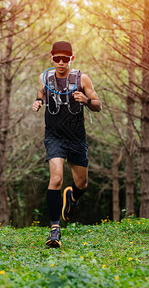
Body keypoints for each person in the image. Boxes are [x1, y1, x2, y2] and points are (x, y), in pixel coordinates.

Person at [32, 41, 102, 248]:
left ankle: (72, 197)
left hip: (76, 137)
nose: (61, 62)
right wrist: (38, 101)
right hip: (54, 136)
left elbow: (98, 105)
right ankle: (54, 230)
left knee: (82, 184)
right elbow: (42, 92)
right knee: (56, 178)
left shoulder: (82, 78)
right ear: (51, 58)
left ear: (71, 59)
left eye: (65, 59)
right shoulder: (45, 77)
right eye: (57, 58)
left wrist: (86, 101)